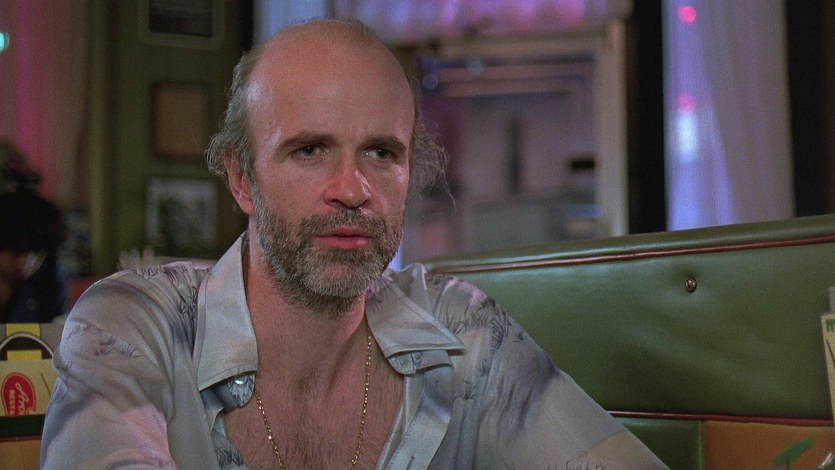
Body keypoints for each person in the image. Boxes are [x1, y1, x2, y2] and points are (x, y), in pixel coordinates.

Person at [40, 19, 667, 469]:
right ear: (242, 179)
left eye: (381, 152)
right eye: (310, 150)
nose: (352, 189)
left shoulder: (460, 330)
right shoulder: (134, 324)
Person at [0, 143, 70, 323]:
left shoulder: (49, 275)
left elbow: (58, 331)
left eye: (35, 252)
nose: (25, 261)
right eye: (16, 250)